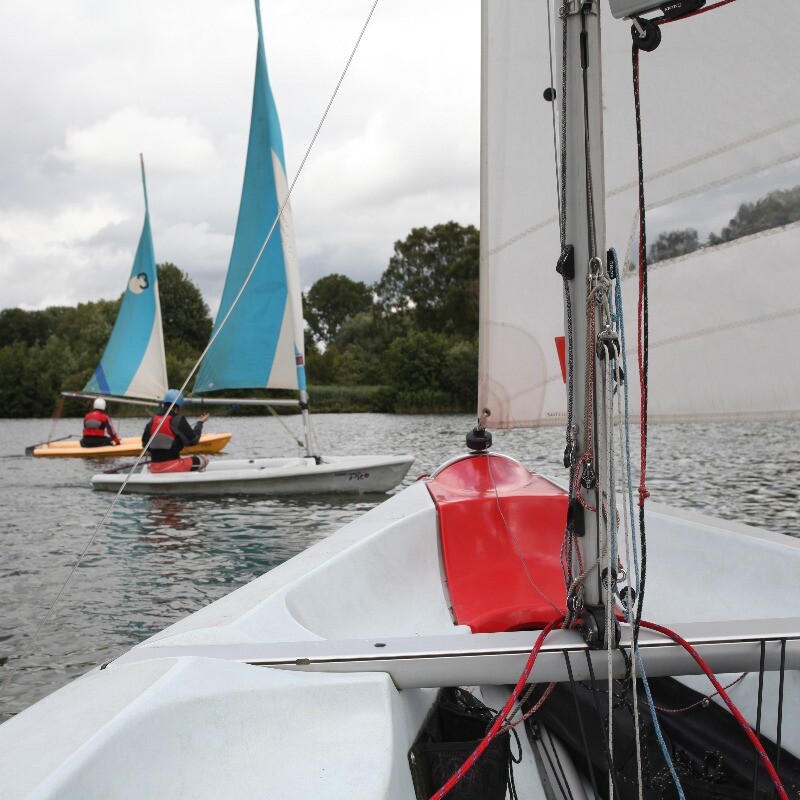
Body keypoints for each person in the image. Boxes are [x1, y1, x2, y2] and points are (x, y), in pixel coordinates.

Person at [142, 389, 211, 473]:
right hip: (173, 466)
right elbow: (193, 441)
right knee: (204, 459)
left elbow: (145, 445)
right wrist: (200, 422)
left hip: (154, 468)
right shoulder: (178, 419)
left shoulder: (153, 420)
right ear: (178, 407)